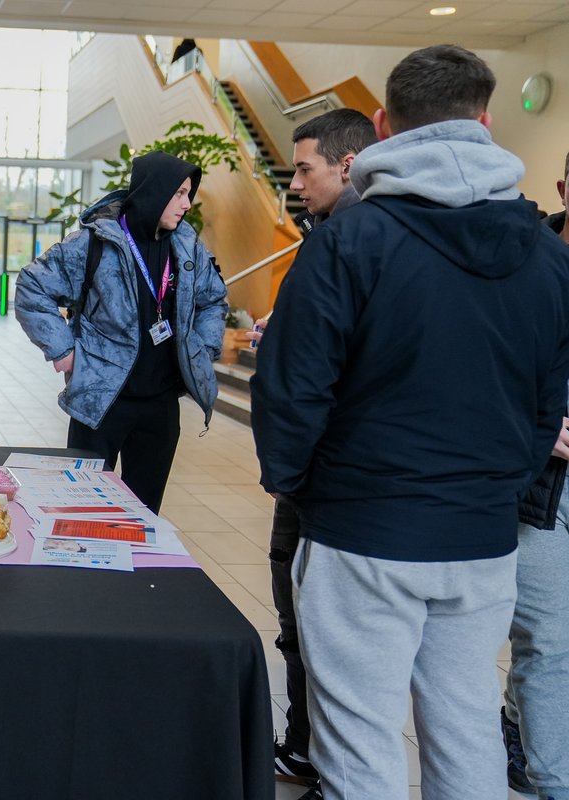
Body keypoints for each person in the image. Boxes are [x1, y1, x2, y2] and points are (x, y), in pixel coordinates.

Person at [249, 45, 569, 800]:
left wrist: (302, 487)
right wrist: (501, 486)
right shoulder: (545, 254)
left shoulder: (348, 241)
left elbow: (290, 389)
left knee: (361, 746)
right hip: (483, 539)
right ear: (484, 122)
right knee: (466, 732)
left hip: (363, 530)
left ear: (384, 125)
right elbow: (546, 401)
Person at [248, 108, 377, 798]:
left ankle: (326, 763)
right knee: (298, 621)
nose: (294, 184)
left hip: (332, 478)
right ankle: (304, 748)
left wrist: (286, 469)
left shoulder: (360, 241)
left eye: (304, 169)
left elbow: (325, 375)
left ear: (348, 164)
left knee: (325, 631)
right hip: (313, 474)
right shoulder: (327, 236)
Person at [15, 151, 228, 512]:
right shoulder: (94, 243)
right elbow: (31, 287)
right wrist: (62, 348)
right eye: (179, 193)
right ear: (154, 192)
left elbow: (213, 300)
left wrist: (203, 350)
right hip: (100, 402)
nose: (187, 204)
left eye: (188, 194)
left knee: (144, 514)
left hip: (160, 407)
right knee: (82, 510)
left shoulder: (187, 247)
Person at [506, 150, 569, 799]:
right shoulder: (526, 260)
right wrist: (536, 425)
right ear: (563, 188)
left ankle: (517, 724)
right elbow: (479, 358)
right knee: (549, 640)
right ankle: (555, 784)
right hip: (541, 486)